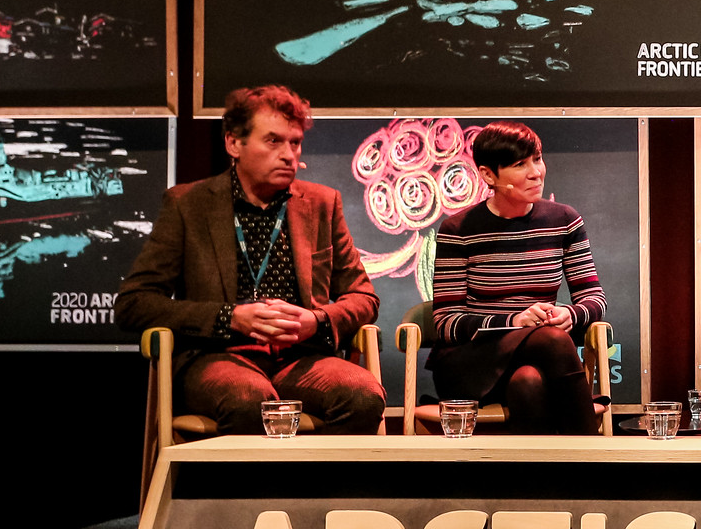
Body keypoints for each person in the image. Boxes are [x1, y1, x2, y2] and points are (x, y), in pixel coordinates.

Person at [116, 85, 385, 447]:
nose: (289, 154)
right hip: (219, 355)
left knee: (363, 395)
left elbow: (362, 296)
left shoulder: (322, 203)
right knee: (250, 401)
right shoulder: (188, 205)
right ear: (233, 144)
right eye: (273, 141)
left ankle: (317, 498)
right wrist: (230, 317)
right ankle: (248, 503)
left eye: (294, 142)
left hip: (301, 356)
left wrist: (316, 321)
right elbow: (134, 303)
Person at [424, 121, 605, 434]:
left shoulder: (564, 220)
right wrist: (515, 321)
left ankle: (536, 483)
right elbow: (446, 322)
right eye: (520, 165)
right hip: (470, 362)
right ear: (488, 175)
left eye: (537, 159)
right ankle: (594, 462)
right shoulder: (459, 230)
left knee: (528, 382)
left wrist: (568, 313)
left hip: (540, 361)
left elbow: (594, 299)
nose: (536, 172)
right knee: (550, 339)